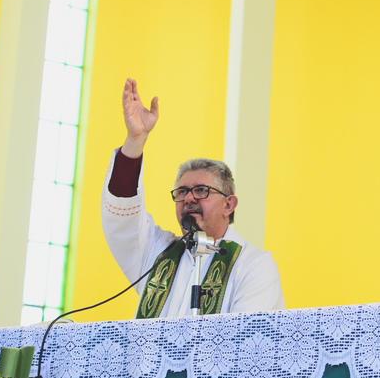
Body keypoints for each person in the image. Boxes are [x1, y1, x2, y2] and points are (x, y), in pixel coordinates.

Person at [101, 78, 285, 317]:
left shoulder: (253, 265)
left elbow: (244, 337)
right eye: (181, 192)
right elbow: (123, 218)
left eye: (201, 190)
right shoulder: (158, 253)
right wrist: (136, 139)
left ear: (228, 205)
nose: (188, 199)